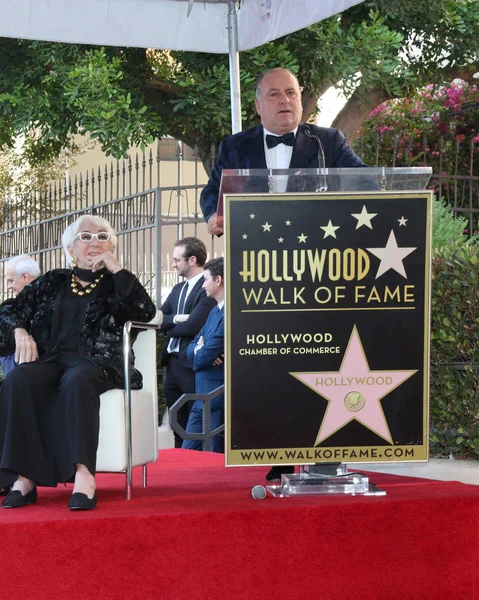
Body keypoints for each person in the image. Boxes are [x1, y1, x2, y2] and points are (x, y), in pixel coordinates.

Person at [0, 215, 156, 510]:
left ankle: (84, 474)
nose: (94, 242)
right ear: (71, 249)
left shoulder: (119, 283)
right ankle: (25, 477)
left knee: (78, 379)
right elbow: (8, 310)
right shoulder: (51, 281)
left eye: (102, 236)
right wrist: (19, 330)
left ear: (112, 245)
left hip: (100, 361)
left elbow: (144, 311)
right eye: (85, 237)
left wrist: (116, 268)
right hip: (52, 359)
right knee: (18, 380)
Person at [200, 67, 367, 236]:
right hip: (255, 245)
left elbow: (364, 180)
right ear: (258, 106)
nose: (284, 100)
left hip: (314, 246)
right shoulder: (235, 146)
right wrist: (214, 215)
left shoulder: (327, 141)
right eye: (274, 94)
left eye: (290, 93)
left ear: (300, 101)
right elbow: (212, 190)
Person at [160, 237, 216, 447]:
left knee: (194, 422)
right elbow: (156, 318)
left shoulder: (207, 287)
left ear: (192, 260)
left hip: (191, 363)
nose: (173, 264)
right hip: (172, 362)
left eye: (177, 260)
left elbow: (194, 326)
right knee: (176, 421)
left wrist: (170, 326)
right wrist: (175, 319)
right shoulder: (176, 290)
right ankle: (180, 459)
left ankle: (195, 461)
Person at [183, 257, 225, 453]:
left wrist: (202, 350)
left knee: (212, 455)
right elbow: (191, 349)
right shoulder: (214, 312)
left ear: (219, 280)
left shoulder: (230, 314)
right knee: (187, 453)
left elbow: (202, 354)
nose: (202, 285)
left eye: (205, 279)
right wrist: (202, 349)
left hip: (216, 396)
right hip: (201, 394)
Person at [0, 254, 41, 378]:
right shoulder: (13, 306)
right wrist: (18, 330)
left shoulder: (49, 298)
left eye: (11, 281)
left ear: (24, 277)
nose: (9, 287)